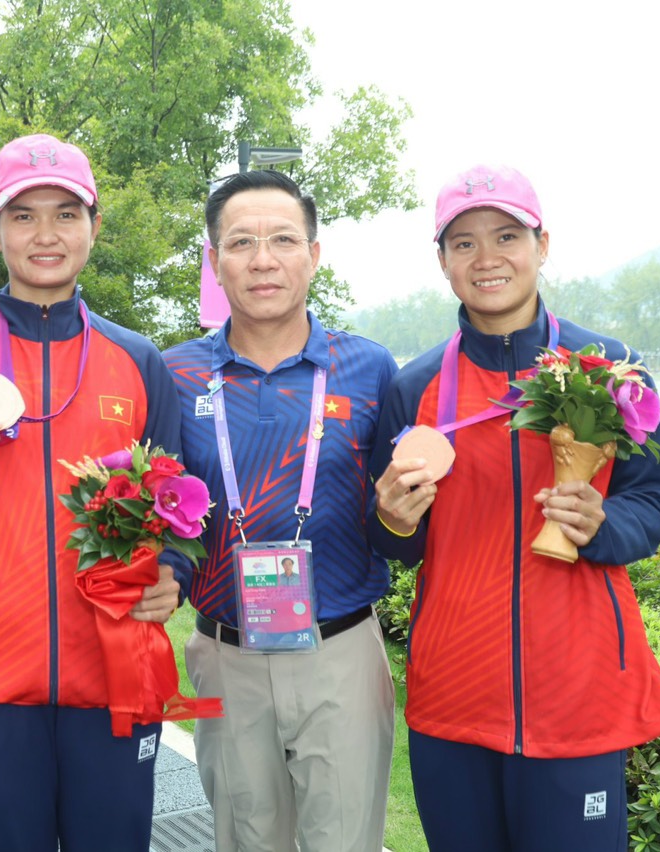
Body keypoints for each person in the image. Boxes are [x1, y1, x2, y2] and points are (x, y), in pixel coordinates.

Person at [367, 164, 660, 852]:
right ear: (443, 261)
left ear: (543, 245)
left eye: (507, 235)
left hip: (579, 692)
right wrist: (393, 520)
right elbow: (395, 543)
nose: (487, 259)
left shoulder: (611, 368)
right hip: (453, 696)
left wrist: (606, 526)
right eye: (464, 243)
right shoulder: (414, 387)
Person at [0, 133, 183, 851]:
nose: (46, 234)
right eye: (23, 216)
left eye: (66, 213)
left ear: (95, 226)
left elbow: (181, 506)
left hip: (114, 670)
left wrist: (173, 573)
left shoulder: (138, 359)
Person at [162, 169, 397, 851]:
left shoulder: (370, 369)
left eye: (283, 240)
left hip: (341, 651)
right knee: (244, 836)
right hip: (222, 654)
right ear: (215, 262)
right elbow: (164, 514)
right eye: (241, 242)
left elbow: (397, 518)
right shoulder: (175, 375)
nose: (263, 259)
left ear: (314, 255)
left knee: (346, 840)